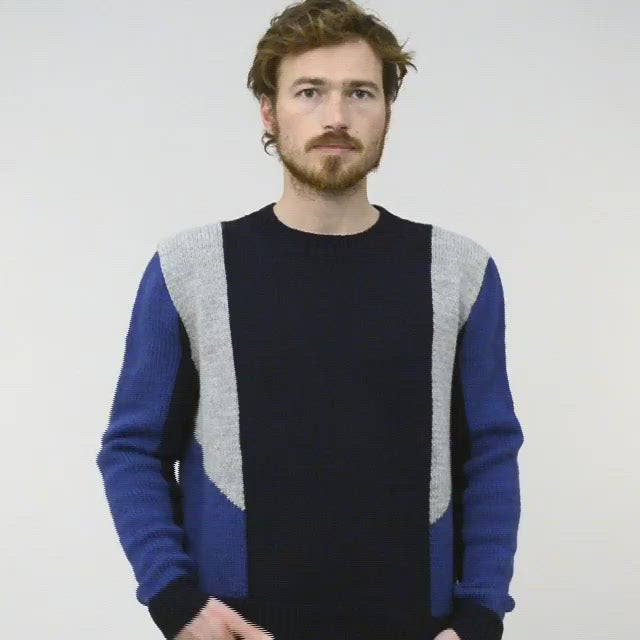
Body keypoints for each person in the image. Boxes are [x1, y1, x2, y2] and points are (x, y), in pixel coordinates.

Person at [96, 1, 524, 639]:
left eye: (360, 92)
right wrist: (177, 604)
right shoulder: (190, 268)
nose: (336, 117)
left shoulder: (459, 270)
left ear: (387, 110)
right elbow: (132, 450)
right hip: (243, 628)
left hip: (417, 625)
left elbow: (490, 454)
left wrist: (480, 617)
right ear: (269, 112)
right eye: (309, 92)